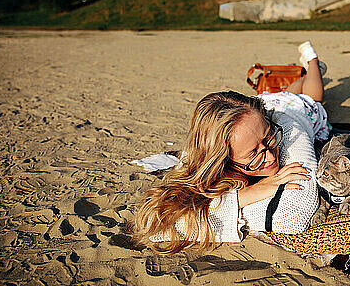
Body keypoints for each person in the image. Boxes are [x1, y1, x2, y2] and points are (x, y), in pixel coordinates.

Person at [132, 41, 330, 254]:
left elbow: (293, 218)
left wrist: (220, 210)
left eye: (269, 138)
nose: (271, 157)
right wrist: (248, 194)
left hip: (297, 112)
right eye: (254, 154)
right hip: (266, 103)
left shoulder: (287, 130)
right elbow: (156, 226)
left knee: (311, 98)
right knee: (289, 93)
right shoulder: (209, 145)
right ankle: (305, 74)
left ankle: (312, 63)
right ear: (222, 159)